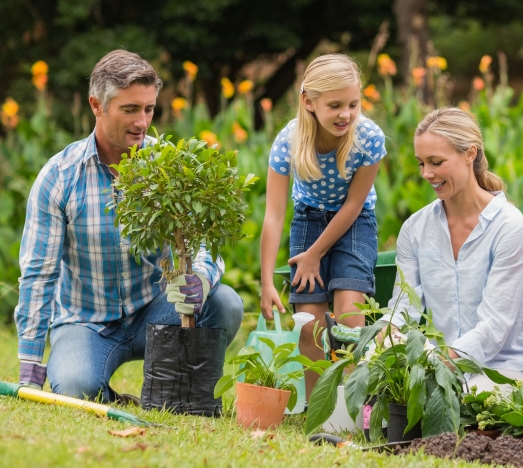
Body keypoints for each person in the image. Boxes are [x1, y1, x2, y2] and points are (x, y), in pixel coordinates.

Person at [15, 50, 243, 401]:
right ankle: (111, 395)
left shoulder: (169, 167)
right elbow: (38, 275)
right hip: (86, 321)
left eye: (149, 109)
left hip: (158, 310)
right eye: (130, 109)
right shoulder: (59, 177)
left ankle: (177, 390)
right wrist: (30, 370)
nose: (142, 122)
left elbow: (200, 244)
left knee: (225, 303)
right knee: (76, 388)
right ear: (96, 105)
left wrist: (200, 276)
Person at [259, 54, 386, 396]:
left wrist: (315, 254)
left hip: (355, 222)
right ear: (308, 102)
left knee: (349, 311)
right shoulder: (288, 141)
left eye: (353, 104)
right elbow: (273, 214)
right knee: (309, 324)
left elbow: (354, 205)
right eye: (335, 105)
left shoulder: (368, 138)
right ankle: (321, 405)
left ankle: (353, 401)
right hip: (309, 219)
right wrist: (267, 280)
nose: (346, 114)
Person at [388, 107, 523, 390]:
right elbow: (403, 307)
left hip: (503, 367)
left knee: (475, 399)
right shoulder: (415, 228)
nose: (427, 173)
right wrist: (384, 337)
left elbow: (494, 327)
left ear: (470, 154)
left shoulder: (510, 227)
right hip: (441, 366)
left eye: (436, 162)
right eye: (421, 163)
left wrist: (436, 361)